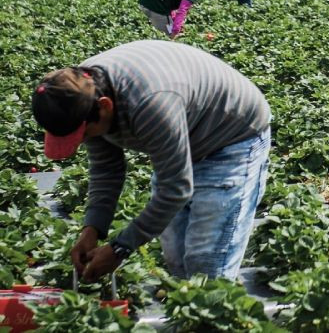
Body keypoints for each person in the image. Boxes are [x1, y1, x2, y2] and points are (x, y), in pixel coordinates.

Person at [31, 40, 272, 281]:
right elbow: (106, 169)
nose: (83, 140)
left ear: (104, 107)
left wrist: (119, 248)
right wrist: (91, 229)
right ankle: (193, 310)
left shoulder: (150, 104)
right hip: (182, 133)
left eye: (82, 134)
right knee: (176, 256)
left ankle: (213, 314)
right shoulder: (79, 94)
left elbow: (175, 189)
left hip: (232, 137)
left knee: (206, 263)